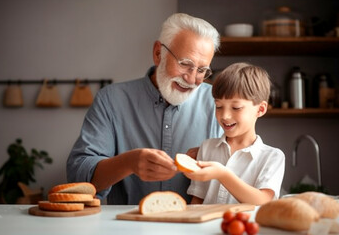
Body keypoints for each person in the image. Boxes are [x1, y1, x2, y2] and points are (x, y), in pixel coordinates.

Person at [66, 13, 223, 205]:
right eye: (185, 64)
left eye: (201, 70)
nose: (191, 79)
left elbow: (242, 169)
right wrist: (128, 162)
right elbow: (77, 177)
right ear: (158, 53)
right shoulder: (111, 100)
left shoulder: (219, 102)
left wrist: (214, 157)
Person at [185, 62, 285, 205]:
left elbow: (263, 201)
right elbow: (197, 199)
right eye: (219, 106)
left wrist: (222, 174)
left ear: (260, 109)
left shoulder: (272, 157)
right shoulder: (207, 148)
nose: (224, 116)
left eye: (236, 108)